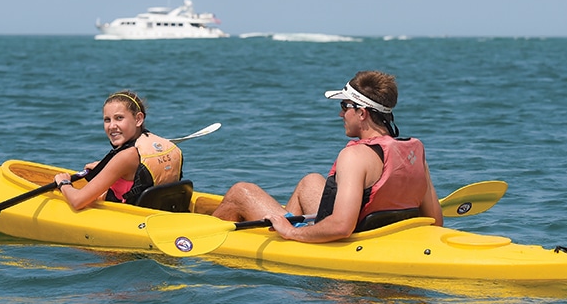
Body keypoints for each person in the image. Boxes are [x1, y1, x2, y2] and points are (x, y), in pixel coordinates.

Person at [212, 71, 442, 243]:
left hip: (351, 240)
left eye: (345, 106)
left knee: (240, 192)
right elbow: (435, 221)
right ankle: (279, 243)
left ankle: (267, 239)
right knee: (310, 181)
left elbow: (342, 226)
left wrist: (292, 231)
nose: (341, 113)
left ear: (362, 113)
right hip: (381, 234)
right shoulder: (414, 151)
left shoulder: (354, 156)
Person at [54, 91, 183, 210]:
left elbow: (77, 201)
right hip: (164, 212)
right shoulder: (164, 145)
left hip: (133, 222)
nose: (112, 126)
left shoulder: (126, 156)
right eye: (107, 120)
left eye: (119, 118)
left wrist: (64, 183)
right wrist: (106, 168)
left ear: (138, 119)